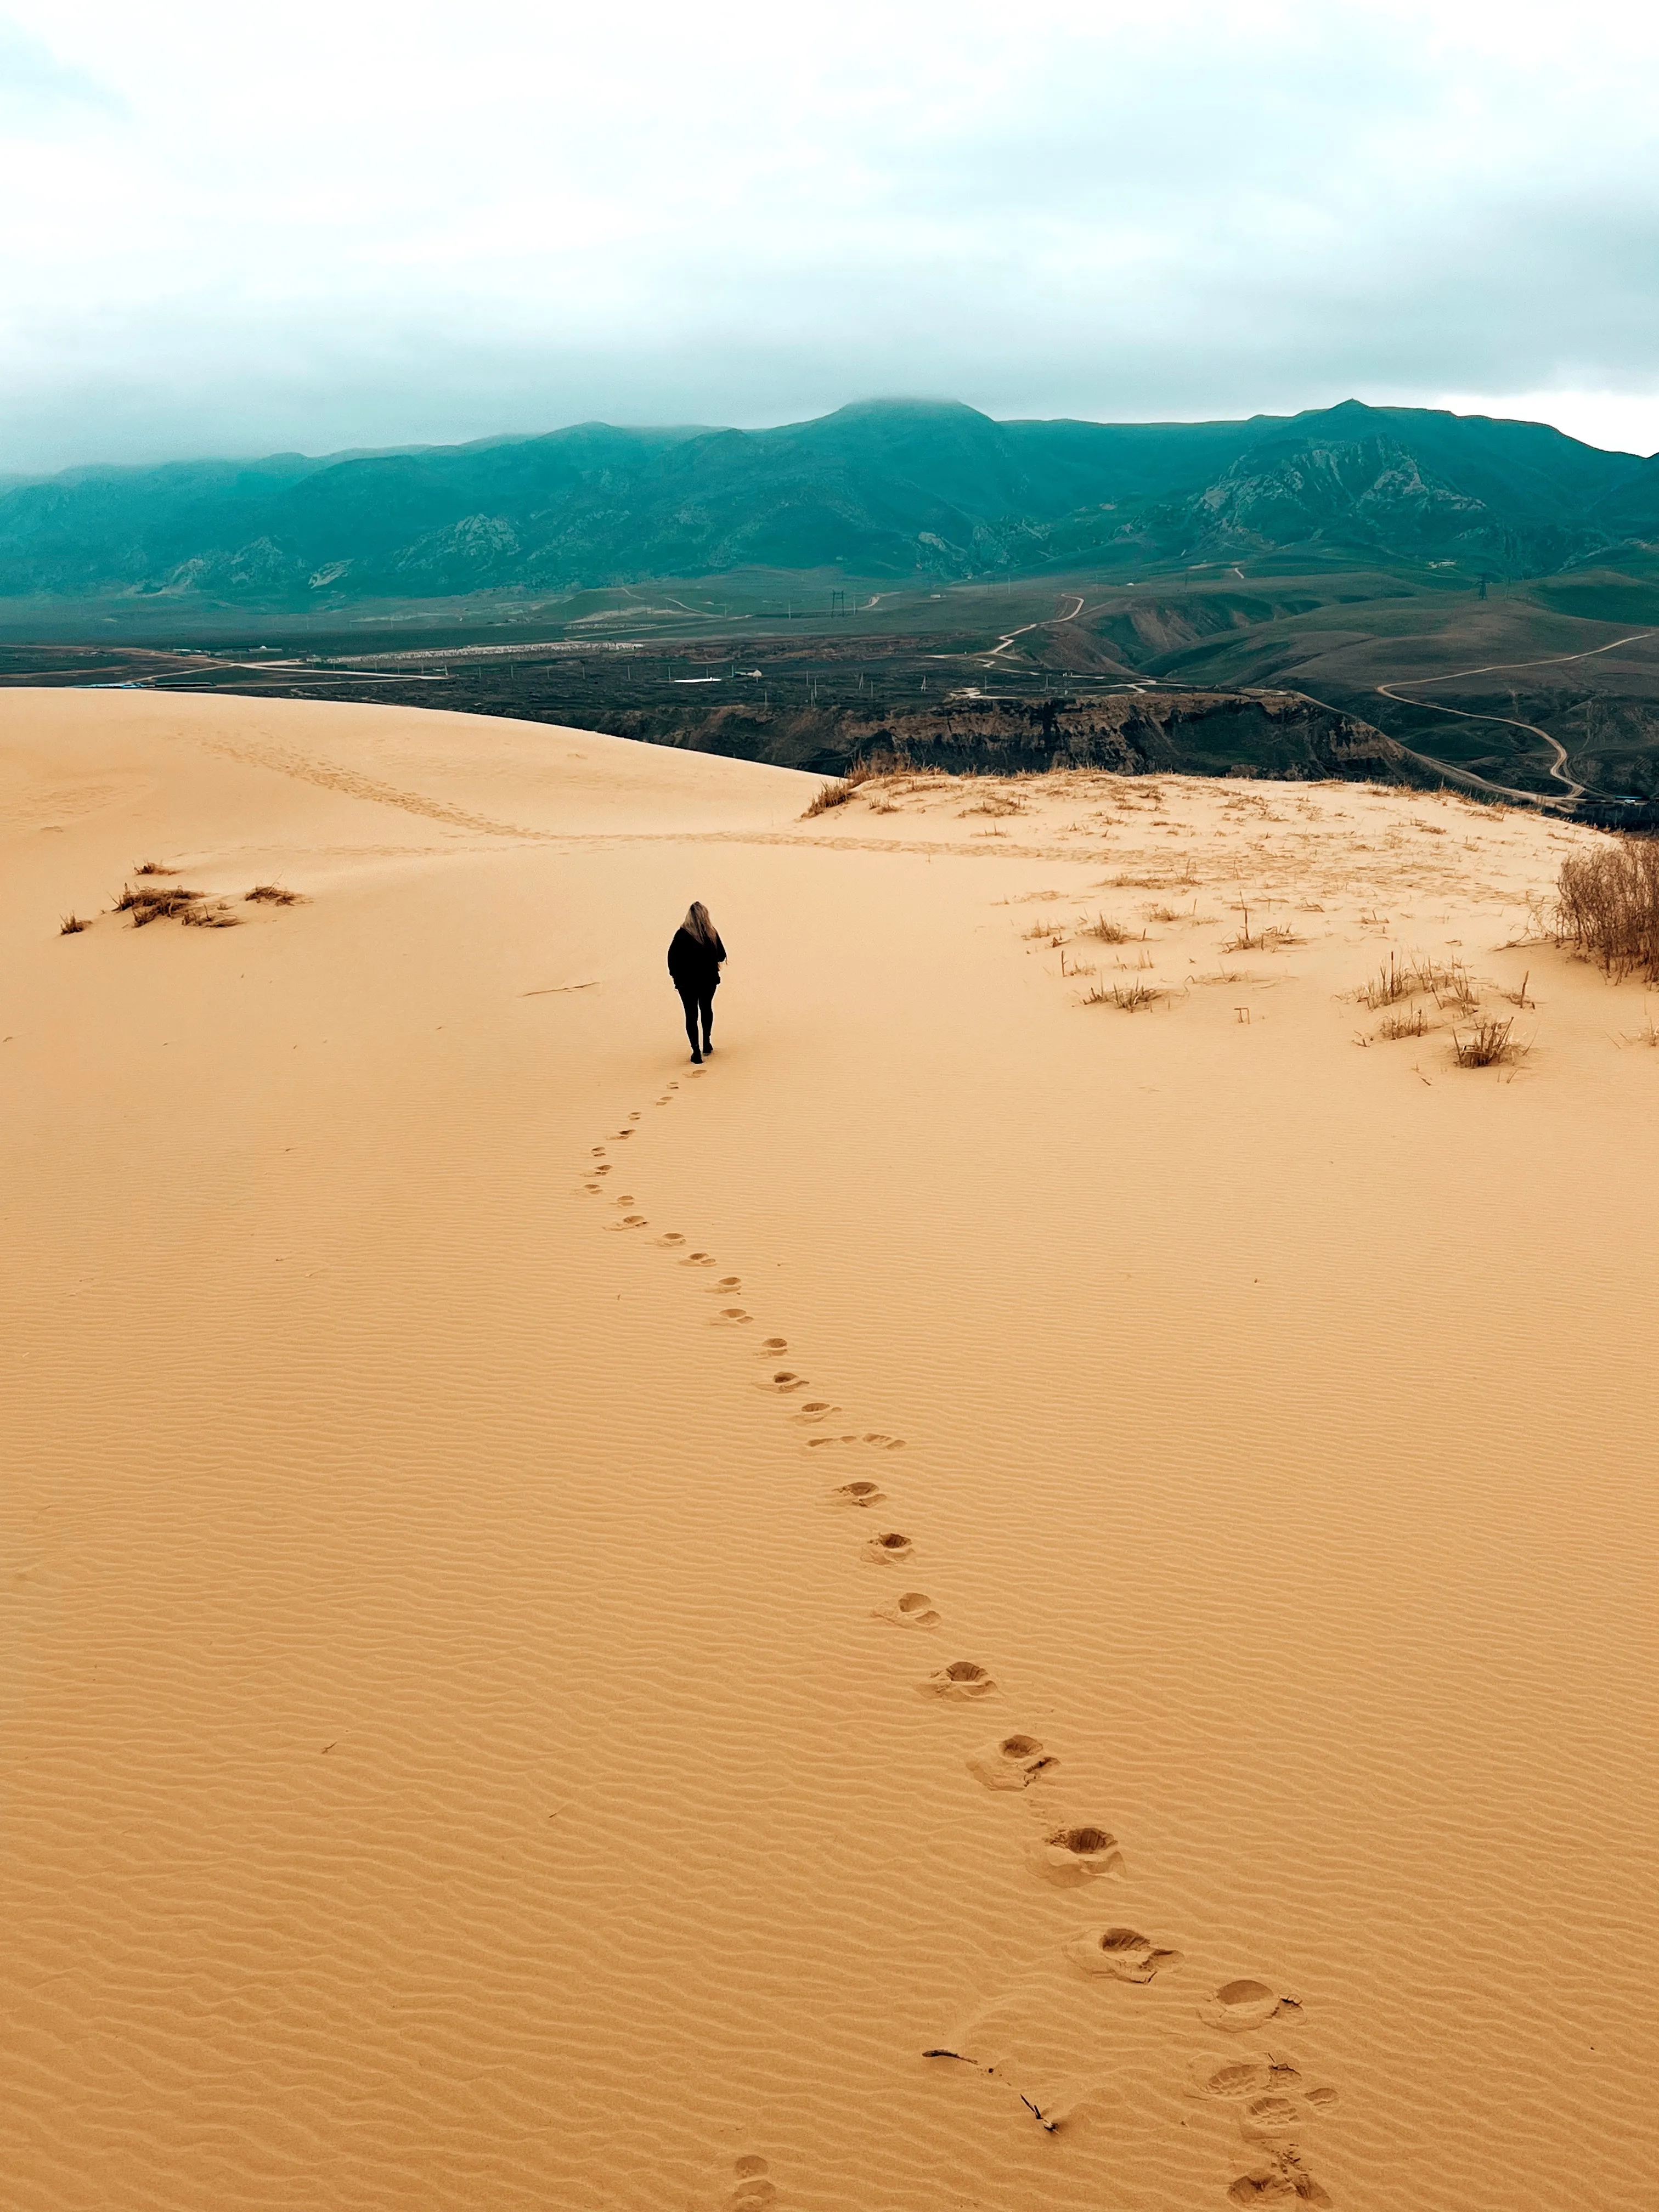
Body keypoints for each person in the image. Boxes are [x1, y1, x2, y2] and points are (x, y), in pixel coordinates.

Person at [667, 901, 726, 1064]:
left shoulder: (681, 935)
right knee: (706, 1009)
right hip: (708, 981)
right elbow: (721, 956)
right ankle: (706, 1043)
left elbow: (672, 959)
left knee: (691, 1014)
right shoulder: (711, 933)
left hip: (687, 983)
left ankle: (696, 1052)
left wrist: (677, 977)